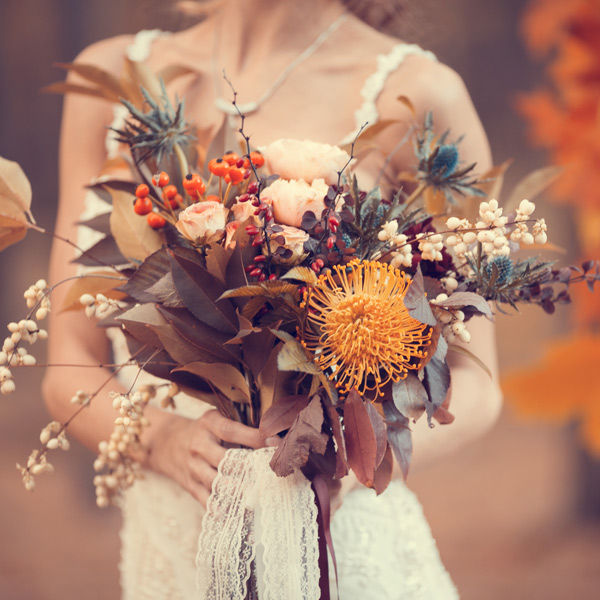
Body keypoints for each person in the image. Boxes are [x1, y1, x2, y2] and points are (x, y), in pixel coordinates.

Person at [43, 0, 503, 597]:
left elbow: (480, 385)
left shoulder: (418, 92)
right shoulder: (112, 81)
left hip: (340, 554)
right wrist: (159, 439)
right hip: (172, 559)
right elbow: (66, 367)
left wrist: (346, 455)